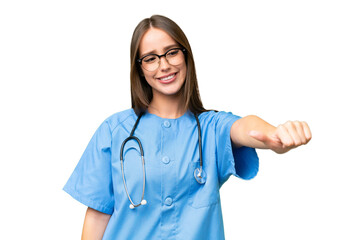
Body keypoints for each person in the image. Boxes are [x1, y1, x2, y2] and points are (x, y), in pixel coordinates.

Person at [63, 15, 312, 240]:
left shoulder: (211, 128)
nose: (164, 65)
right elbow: (98, 215)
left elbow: (244, 126)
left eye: (171, 52)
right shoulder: (114, 131)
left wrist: (273, 134)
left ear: (185, 55)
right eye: (150, 58)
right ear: (139, 69)